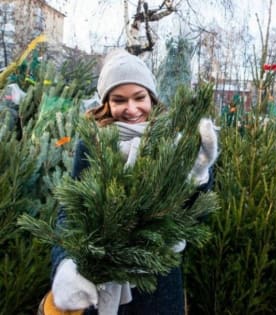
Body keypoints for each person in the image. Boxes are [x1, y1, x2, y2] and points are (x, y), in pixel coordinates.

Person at [47, 49, 218, 315]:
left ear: (152, 97)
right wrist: (66, 263)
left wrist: (198, 176)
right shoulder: (93, 142)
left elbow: (196, 217)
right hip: (101, 281)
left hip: (158, 285)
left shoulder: (172, 141)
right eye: (119, 99)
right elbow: (70, 209)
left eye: (139, 97)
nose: (131, 109)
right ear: (106, 102)